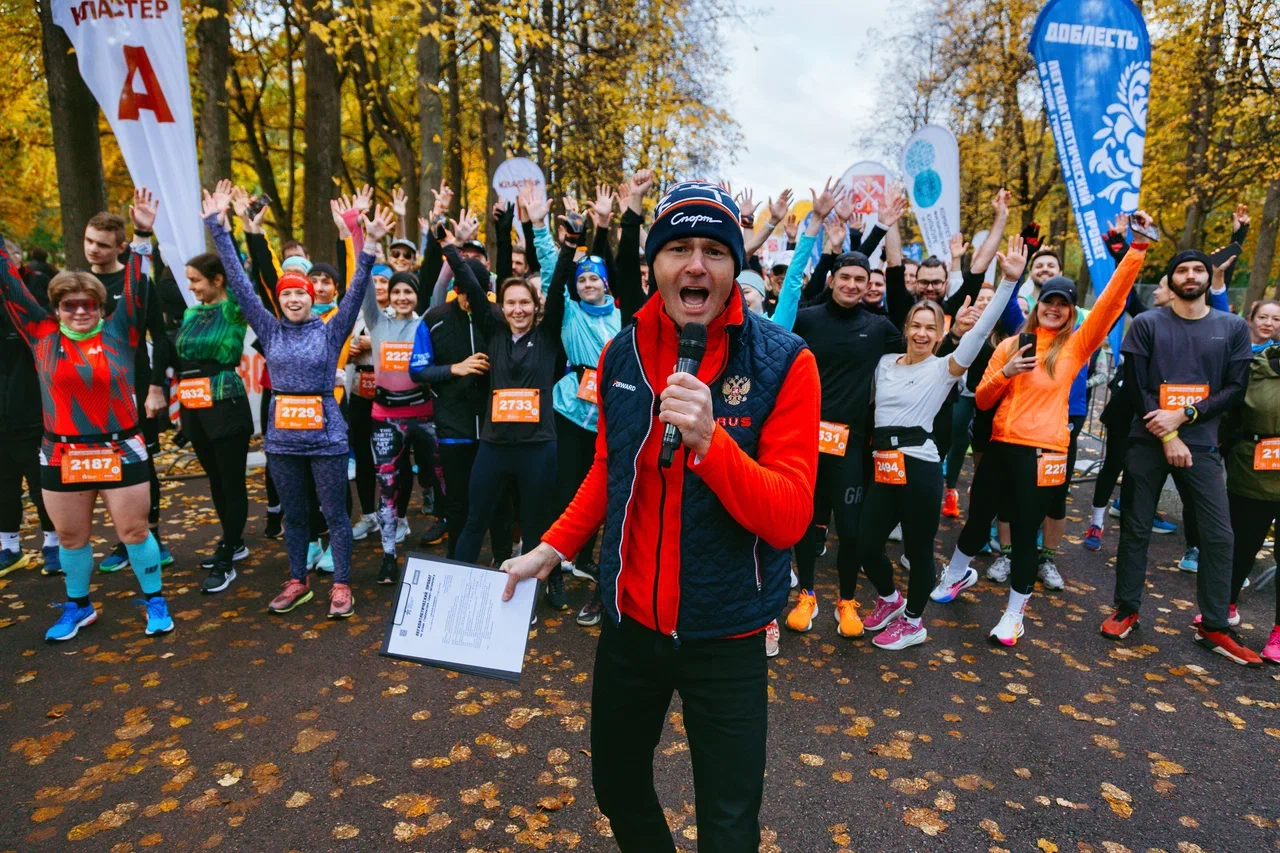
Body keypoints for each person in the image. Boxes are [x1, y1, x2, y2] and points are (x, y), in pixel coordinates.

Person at [499, 180, 819, 852]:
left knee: (729, 829)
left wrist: (712, 443)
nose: (696, 264)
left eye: (713, 250)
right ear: (654, 266)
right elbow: (611, 473)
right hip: (629, 629)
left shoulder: (786, 362)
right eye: (678, 248)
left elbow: (789, 517)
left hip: (727, 633)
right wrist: (551, 549)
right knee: (616, 787)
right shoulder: (620, 352)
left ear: (737, 266)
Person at [934, 212, 1149, 646]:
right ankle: (956, 574)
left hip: (1043, 453)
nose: (1053, 308)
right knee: (977, 524)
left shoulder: (1077, 345)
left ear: (1071, 310)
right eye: (1048, 300)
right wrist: (1007, 371)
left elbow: (1111, 301)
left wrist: (1136, 250)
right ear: (1038, 303)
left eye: (1062, 303)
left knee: (1027, 534)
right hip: (999, 448)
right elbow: (981, 400)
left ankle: (1014, 614)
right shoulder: (1012, 343)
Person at [203, 181, 388, 618]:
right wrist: (220, 228)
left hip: (325, 433)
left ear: (312, 297)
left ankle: (341, 584)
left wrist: (370, 247)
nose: (292, 298)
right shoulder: (268, 328)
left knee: (335, 513)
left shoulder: (331, 329)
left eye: (300, 293)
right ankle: (297, 580)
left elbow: (359, 286)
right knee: (294, 514)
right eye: (285, 293)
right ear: (279, 298)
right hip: (282, 436)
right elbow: (241, 283)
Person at [0, 189, 174, 642]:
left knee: (134, 530)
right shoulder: (40, 335)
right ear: (56, 309)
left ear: (101, 306)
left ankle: (155, 599)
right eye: (69, 305)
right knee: (71, 539)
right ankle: (79, 606)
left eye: (89, 304)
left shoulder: (121, 330)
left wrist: (140, 235)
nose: (80, 311)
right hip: (60, 453)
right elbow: (9, 285)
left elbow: (138, 285)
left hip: (121, 446)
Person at [859, 238, 1024, 649]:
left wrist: (1007, 283)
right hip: (884, 464)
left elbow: (981, 329)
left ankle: (914, 623)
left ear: (940, 334)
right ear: (906, 327)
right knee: (865, 543)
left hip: (920, 466)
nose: (921, 332)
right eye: (915, 324)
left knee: (917, 549)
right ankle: (891, 600)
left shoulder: (943, 370)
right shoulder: (883, 364)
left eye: (930, 327)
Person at [1102, 245, 1263, 666]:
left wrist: (1186, 414)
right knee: (1136, 528)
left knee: (1218, 535)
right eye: (1182, 270)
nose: (1190, 276)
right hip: (1147, 439)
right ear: (1170, 279)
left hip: (1204, 444)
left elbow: (1235, 390)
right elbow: (1136, 388)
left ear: (1208, 278)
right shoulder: (1148, 324)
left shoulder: (1232, 328)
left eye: (1198, 269)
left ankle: (1214, 624)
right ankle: (1127, 609)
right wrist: (1168, 432)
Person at [528, 174, 648, 624]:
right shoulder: (569, 312)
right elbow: (551, 269)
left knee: (605, 496)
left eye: (595, 278)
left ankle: (594, 567)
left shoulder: (623, 314)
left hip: (613, 413)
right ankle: (553, 565)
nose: (588, 284)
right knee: (564, 490)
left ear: (606, 284)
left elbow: (621, 273)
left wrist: (606, 224)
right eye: (583, 279)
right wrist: (542, 230)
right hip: (569, 411)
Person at [787, 180, 903, 638]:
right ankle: (807, 595)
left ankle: (849, 601)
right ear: (832, 279)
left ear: (868, 285)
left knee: (850, 529)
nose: (853, 284)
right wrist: (817, 227)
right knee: (803, 521)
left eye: (862, 279)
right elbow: (798, 291)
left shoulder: (878, 328)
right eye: (846, 277)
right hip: (804, 438)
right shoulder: (808, 318)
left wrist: (886, 232)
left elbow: (918, 330)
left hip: (853, 443)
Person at [446, 209, 566, 615]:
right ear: (503, 306)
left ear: (536, 306)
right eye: (511, 302)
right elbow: (471, 286)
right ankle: (454, 596)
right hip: (495, 446)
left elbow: (561, 281)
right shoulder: (493, 329)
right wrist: (449, 246)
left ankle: (527, 603)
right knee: (475, 519)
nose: (517, 309)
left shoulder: (549, 336)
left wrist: (565, 246)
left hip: (538, 449)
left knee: (535, 528)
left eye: (524, 303)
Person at [85, 209, 174, 576]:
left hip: (134, 388)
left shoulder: (137, 281)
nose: (93, 250)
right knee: (104, 463)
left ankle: (149, 536)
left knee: (141, 461)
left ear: (121, 246)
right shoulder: (78, 284)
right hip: (91, 392)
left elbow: (161, 337)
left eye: (103, 245)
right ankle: (124, 535)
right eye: (89, 241)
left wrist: (155, 388)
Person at [174, 252, 254, 593]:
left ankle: (226, 558)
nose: (191, 287)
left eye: (196, 280)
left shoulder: (234, 308)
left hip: (225, 401)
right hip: (193, 404)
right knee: (215, 480)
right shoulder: (191, 312)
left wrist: (224, 226)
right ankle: (232, 541)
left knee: (230, 479)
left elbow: (240, 276)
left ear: (217, 280)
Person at [362, 262, 437, 584]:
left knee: (439, 477)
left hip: (424, 414)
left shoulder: (427, 322)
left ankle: (453, 549)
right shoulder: (377, 321)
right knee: (388, 486)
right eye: (396, 291)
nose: (403, 297)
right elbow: (361, 283)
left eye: (409, 291)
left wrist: (448, 246)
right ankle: (389, 555)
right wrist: (360, 239)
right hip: (385, 417)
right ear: (388, 295)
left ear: (417, 296)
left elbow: (441, 281)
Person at [0, 245, 59, 577]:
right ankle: (9, 546)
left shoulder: (36, 286)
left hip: (31, 408)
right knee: (4, 484)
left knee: (40, 482)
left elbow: (38, 324)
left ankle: (53, 543)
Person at [1221, 336, 1280, 663]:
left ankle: (1278, 633)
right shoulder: (1256, 366)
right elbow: (1231, 413)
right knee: (1242, 545)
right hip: (1251, 473)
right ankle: (1224, 608)